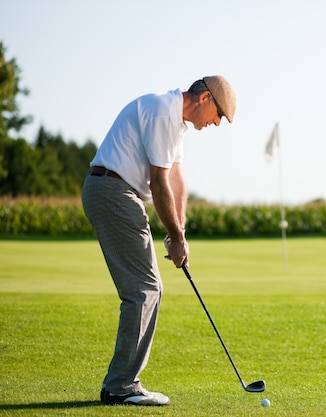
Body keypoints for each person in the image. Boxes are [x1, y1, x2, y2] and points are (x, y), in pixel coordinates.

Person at [82, 75, 236, 406]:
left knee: (147, 289)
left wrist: (177, 232)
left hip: (117, 191)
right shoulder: (161, 111)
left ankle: (122, 383)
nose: (216, 124)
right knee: (144, 290)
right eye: (218, 115)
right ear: (205, 98)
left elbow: (176, 179)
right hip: (113, 190)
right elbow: (158, 182)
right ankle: (121, 386)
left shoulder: (175, 123)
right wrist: (176, 238)